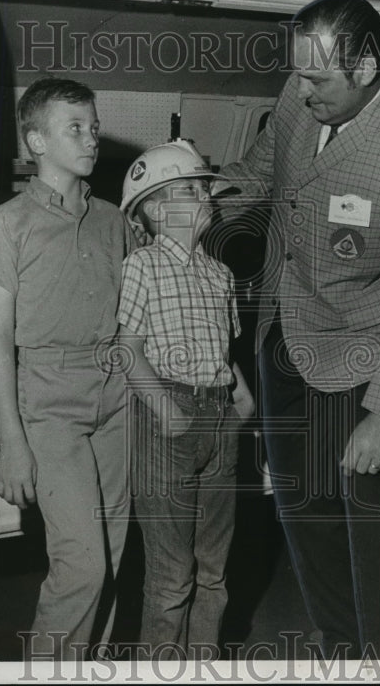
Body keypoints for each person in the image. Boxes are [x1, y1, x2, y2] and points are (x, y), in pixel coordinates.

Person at [214, 0, 380, 659]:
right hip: (284, 335)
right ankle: (345, 655)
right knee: (305, 515)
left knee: (374, 525)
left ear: (365, 65)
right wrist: (202, 195)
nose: (303, 90)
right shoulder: (304, 91)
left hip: (362, 353)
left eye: (319, 79)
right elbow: (261, 170)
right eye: (298, 74)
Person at [0, 77, 134, 659]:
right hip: (49, 407)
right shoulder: (8, 225)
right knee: (83, 566)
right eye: (76, 128)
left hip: (117, 403)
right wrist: (11, 444)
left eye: (93, 127)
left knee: (112, 560)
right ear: (37, 140)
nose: (91, 138)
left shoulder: (115, 221)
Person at [116, 140, 255, 658]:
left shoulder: (220, 274)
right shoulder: (142, 267)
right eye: (190, 189)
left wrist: (242, 399)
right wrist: (167, 410)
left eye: (205, 189)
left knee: (214, 572)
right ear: (153, 209)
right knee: (172, 575)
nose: (206, 198)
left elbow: (224, 346)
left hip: (219, 415)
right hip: (168, 419)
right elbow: (128, 351)